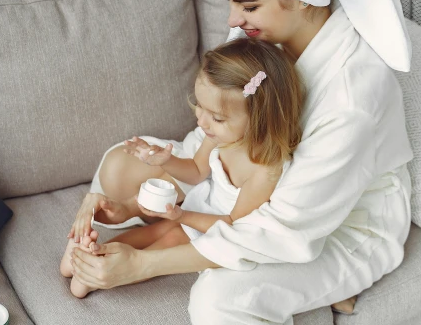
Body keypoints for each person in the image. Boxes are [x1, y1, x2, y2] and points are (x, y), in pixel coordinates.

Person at [66, 0, 413, 325]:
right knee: (125, 161)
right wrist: (129, 189)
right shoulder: (261, 41)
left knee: (222, 301)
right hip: (244, 175)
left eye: (247, 4)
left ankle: (336, 281)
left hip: (332, 224)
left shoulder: (353, 95)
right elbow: (215, 138)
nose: (231, 20)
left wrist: (144, 265)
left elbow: (279, 227)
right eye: (230, 2)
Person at [60, 37, 305, 298]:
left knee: (170, 240)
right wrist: (166, 161)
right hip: (193, 209)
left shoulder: (264, 171)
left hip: (210, 230)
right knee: (152, 231)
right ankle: (88, 257)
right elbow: (196, 172)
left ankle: (95, 275)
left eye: (217, 117)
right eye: (200, 106)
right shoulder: (221, 138)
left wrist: (182, 218)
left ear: (261, 119)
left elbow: (232, 224)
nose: (202, 121)